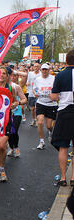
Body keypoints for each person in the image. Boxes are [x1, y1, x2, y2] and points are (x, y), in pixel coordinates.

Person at [50, 49, 74, 187]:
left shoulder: (60, 75)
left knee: (64, 147)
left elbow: (54, 96)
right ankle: (73, 177)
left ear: (66, 61)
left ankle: (63, 177)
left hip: (64, 112)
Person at [33, 63, 57, 150]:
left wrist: (55, 95)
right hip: (41, 103)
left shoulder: (53, 79)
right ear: (41, 70)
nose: (44, 71)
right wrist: (35, 93)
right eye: (43, 69)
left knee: (49, 126)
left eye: (46, 69)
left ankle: (51, 132)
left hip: (51, 104)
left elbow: (57, 89)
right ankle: (41, 141)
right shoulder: (37, 79)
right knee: (40, 122)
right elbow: (34, 88)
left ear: (49, 70)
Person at [8, 70, 28, 158]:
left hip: (16, 112)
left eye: (13, 75)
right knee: (8, 132)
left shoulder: (16, 87)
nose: (12, 77)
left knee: (14, 130)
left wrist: (18, 103)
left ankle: (15, 147)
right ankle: (11, 148)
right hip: (5, 113)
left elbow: (24, 99)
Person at [26, 62, 41, 127]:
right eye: (35, 66)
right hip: (31, 93)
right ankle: (33, 119)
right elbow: (27, 82)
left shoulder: (41, 74)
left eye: (37, 66)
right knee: (32, 109)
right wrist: (27, 84)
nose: (36, 68)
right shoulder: (30, 74)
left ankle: (37, 120)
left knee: (37, 108)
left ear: (39, 67)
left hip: (38, 94)